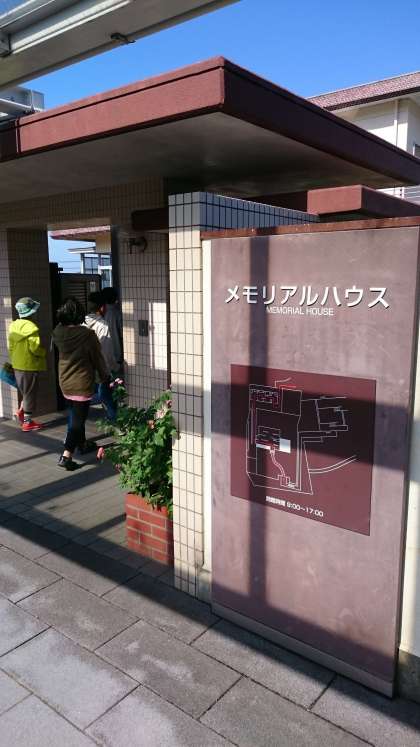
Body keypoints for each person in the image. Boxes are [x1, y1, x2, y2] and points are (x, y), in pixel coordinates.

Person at [52, 297, 109, 470]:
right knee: (77, 421)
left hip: (64, 380)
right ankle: (66, 455)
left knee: (75, 413)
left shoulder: (58, 332)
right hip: (81, 382)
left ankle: (82, 444)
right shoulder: (87, 335)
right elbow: (97, 358)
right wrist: (105, 376)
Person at [7, 297, 46, 432]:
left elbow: (10, 347)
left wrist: (15, 359)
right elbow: (34, 348)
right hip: (29, 365)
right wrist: (43, 353)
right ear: (31, 313)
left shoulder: (13, 326)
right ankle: (27, 422)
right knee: (30, 393)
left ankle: (21, 411)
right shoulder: (32, 328)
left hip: (17, 364)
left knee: (25, 390)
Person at [85, 291, 117, 421]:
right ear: (102, 307)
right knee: (106, 395)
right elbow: (106, 351)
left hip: (84, 366)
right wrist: (113, 367)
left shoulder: (82, 323)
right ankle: (113, 420)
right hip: (100, 366)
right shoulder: (102, 325)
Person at [101, 286, 123, 377]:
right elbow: (123, 335)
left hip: (104, 357)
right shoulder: (117, 313)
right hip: (117, 355)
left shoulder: (102, 314)